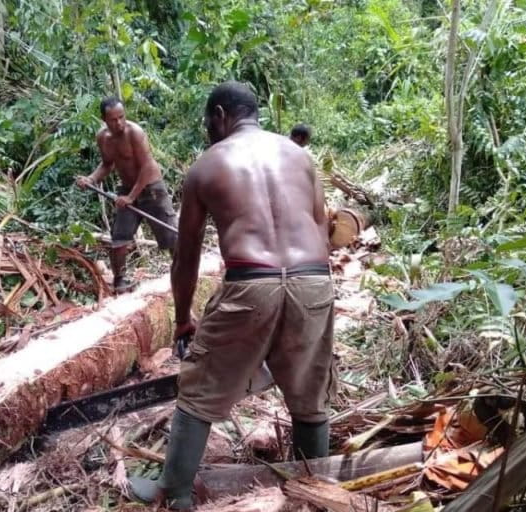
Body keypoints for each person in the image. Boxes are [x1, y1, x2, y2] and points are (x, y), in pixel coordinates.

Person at [129, 82, 336, 509]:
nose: (209, 130)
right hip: (314, 278)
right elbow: (321, 230)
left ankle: (176, 493)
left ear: (220, 115)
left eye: (209, 122)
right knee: (310, 392)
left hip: (251, 281)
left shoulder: (208, 165)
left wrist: (184, 319)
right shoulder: (299, 156)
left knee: (200, 388)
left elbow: (185, 257)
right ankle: (314, 490)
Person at [76, 97, 177, 293]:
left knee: (170, 235)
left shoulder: (135, 133)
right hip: (127, 190)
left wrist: (131, 197)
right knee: (119, 237)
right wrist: (91, 179)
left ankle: (183, 271)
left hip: (151, 189)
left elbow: (148, 166)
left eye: (121, 117)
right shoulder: (103, 138)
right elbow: (107, 165)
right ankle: (120, 281)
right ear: (104, 119)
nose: (119, 123)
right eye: (113, 120)